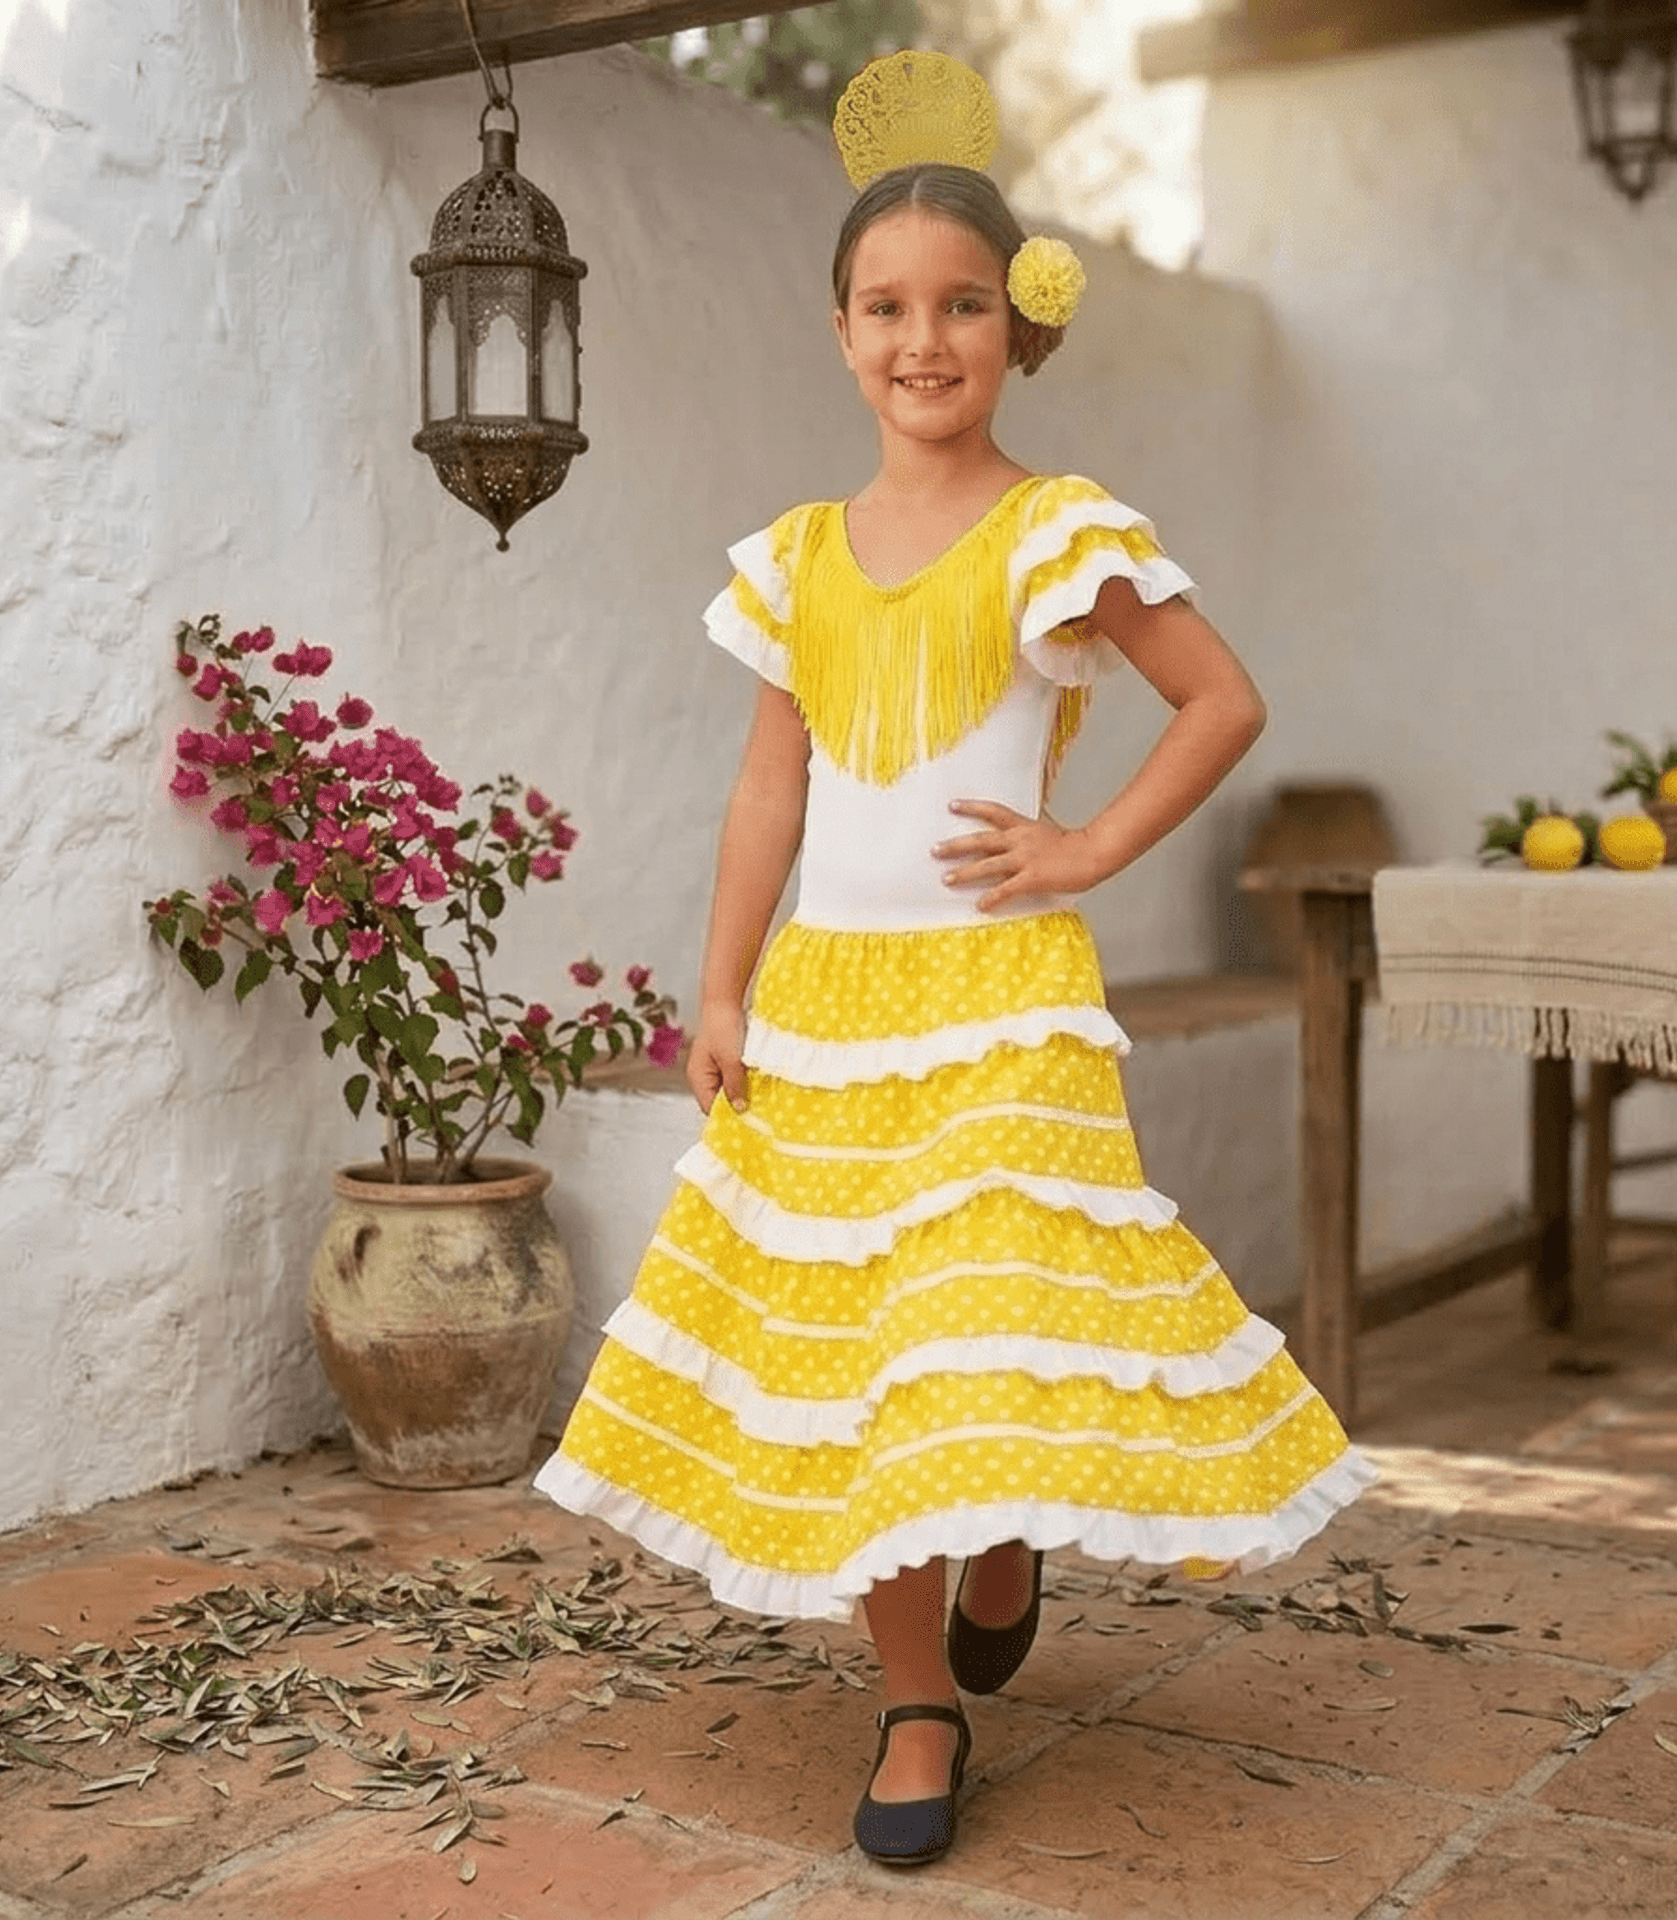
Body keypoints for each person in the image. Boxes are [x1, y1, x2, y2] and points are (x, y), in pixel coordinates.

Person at [536, 50, 1374, 1871]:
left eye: (965, 305)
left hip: (1000, 1004)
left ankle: (1009, 1527)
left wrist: (1081, 850)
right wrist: (722, 984)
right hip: (832, 1008)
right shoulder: (797, 559)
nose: (929, 338)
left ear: (1016, 326)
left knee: (977, 1325)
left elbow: (1218, 700)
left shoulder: (1056, 532)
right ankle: (919, 1698)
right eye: (890, 307)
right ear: (840, 332)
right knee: (865, 1361)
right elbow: (773, 785)